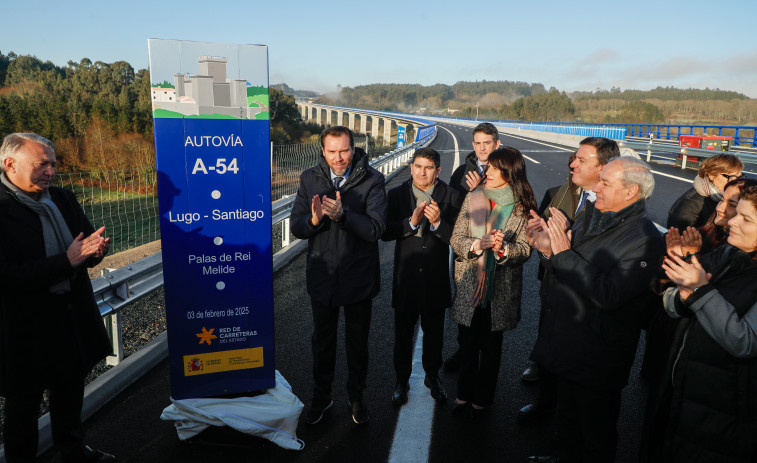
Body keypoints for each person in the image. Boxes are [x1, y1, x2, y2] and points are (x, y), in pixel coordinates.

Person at [527, 157, 665, 462]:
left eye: (605, 182)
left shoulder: (646, 241)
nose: (596, 188)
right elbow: (570, 266)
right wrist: (548, 249)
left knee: (595, 432)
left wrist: (562, 254)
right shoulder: (593, 215)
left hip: (598, 354)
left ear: (630, 192)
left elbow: (610, 293)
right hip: (568, 340)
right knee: (566, 419)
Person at [0, 133, 114, 463]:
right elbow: (5, 276)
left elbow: (84, 245)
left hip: (70, 317)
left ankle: (75, 452)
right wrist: (68, 260)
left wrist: (96, 252)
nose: (51, 171)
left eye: (53, 163)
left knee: (69, 393)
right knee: (24, 405)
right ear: (10, 164)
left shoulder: (62, 199)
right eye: (42, 164)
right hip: (23, 328)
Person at [290, 126, 387, 425]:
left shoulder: (373, 180)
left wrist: (344, 216)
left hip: (358, 277)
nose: (338, 157)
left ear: (354, 148)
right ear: (322, 151)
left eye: (344, 150)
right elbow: (296, 226)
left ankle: (356, 396)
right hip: (323, 275)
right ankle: (321, 397)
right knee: (322, 342)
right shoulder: (310, 178)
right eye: (331, 151)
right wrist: (315, 219)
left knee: (357, 343)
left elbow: (376, 229)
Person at [518, 138, 620, 424]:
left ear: (604, 167)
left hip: (584, 295)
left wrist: (564, 242)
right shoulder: (557, 193)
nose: (572, 164)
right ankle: (546, 400)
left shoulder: (612, 208)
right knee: (550, 341)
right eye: (574, 158)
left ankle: (566, 418)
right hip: (553, 282)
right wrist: (542, 238)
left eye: (581, 160)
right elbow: (545, 236)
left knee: (575, 362)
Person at [653, 184, 757, 462]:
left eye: (746, 218)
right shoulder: (727, 254)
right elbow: (670, 301)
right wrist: (686, 269)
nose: (731, 219)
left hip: (729, 406)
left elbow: (744, 342)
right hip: (691, 388)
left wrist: (699, 291)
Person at [449, 147, 535, 416]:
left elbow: (524, 250)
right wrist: (477, 244)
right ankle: (463, 394)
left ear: (509, 174)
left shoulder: (522, 209)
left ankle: (482, 398)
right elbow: (456, 238)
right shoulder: (474, 198)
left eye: (495, 169)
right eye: (489, 168)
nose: (488, 172)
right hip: (469, 286)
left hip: (500, 289)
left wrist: (501, 250)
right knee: (467, 343)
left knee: (491, 348)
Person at [381, 147, 461, 406]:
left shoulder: (450, 196)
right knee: (402, 335)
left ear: (438, 171)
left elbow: (457, 240)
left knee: (435, 334)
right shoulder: (397, 195)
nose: (422, 172)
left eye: (428, 168)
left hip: (435, 278)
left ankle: (432, 377)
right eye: (417, 166)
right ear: (411, 167)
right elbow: (385, 232)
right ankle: (400, 380)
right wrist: (411, 223)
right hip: (406, 277)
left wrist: (438, 224)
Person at [446, 122, 502, 370]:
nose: (482, 148)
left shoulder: (506, 169)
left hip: (496, 246)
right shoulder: (461, 173)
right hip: (467, 247)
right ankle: (464, 349)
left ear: (496, 144)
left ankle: (485, 355)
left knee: (490, 306)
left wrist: (482, 191)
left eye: (487, 143)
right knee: (465, 301)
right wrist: (470, 194)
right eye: (478, 143)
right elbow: (452, 210)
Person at [667, 153, 743, 230]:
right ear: (712, 175)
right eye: (730, 177)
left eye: (739, 177)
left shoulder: (728, 196)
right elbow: (679, 237)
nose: (735, 181)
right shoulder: (689, 205)